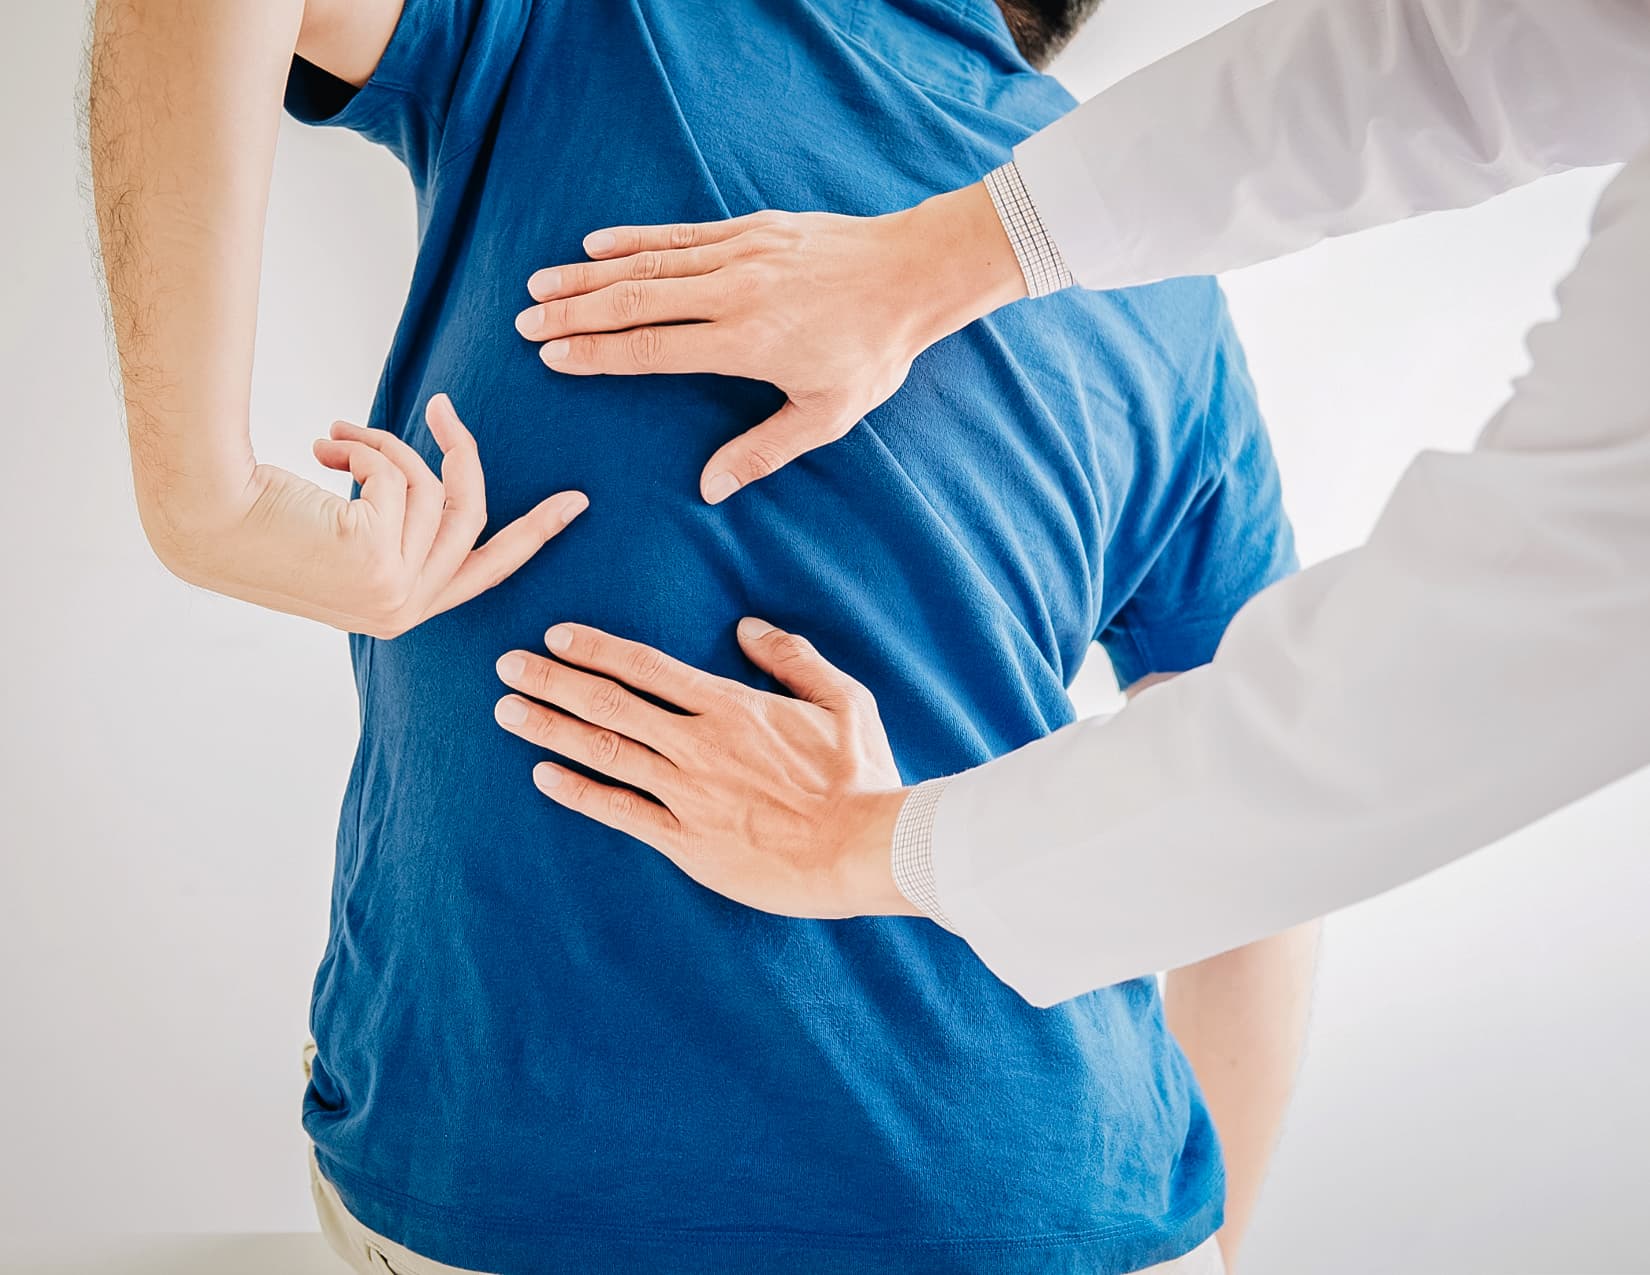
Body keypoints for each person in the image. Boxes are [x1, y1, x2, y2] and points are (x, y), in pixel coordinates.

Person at [89, 1, 1319, 1273]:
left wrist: (209, 504)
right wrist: (1211, 1244)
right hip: (1059, 1188)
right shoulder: (1149, 259)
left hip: (538, 1181)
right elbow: (1274, 807)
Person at [505, 0, 1650, 1007]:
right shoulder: (622, 31)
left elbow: (1454, 686)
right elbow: (1455, 54)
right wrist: (941, 257)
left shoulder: (1181, 320)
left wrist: (865, 847)